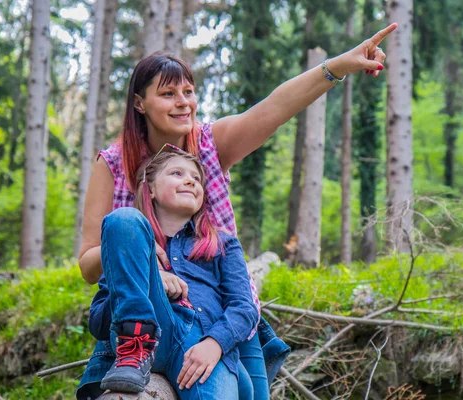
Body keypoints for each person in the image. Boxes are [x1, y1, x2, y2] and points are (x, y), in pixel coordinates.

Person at [75, 22, 397, 399]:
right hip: (145, 320)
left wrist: (339, 66)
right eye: (167, 93)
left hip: (223, 316)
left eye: (188, 92)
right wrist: (144, 263)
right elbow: (87, 263)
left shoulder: (211, 145)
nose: (183, 102)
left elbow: (275, 107)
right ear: (139, 102)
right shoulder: (113, 164)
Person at [92, 146, 260, 399]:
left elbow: (244, 308)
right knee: (123, 218)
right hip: (136, 343)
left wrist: (215, 344)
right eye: (177, 173)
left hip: (199, 342)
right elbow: (98, 323)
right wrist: (148, 279)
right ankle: (136, 343)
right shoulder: (127, 242)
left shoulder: (222, 242)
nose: (190, 180)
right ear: (151, 189)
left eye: (196, 178)